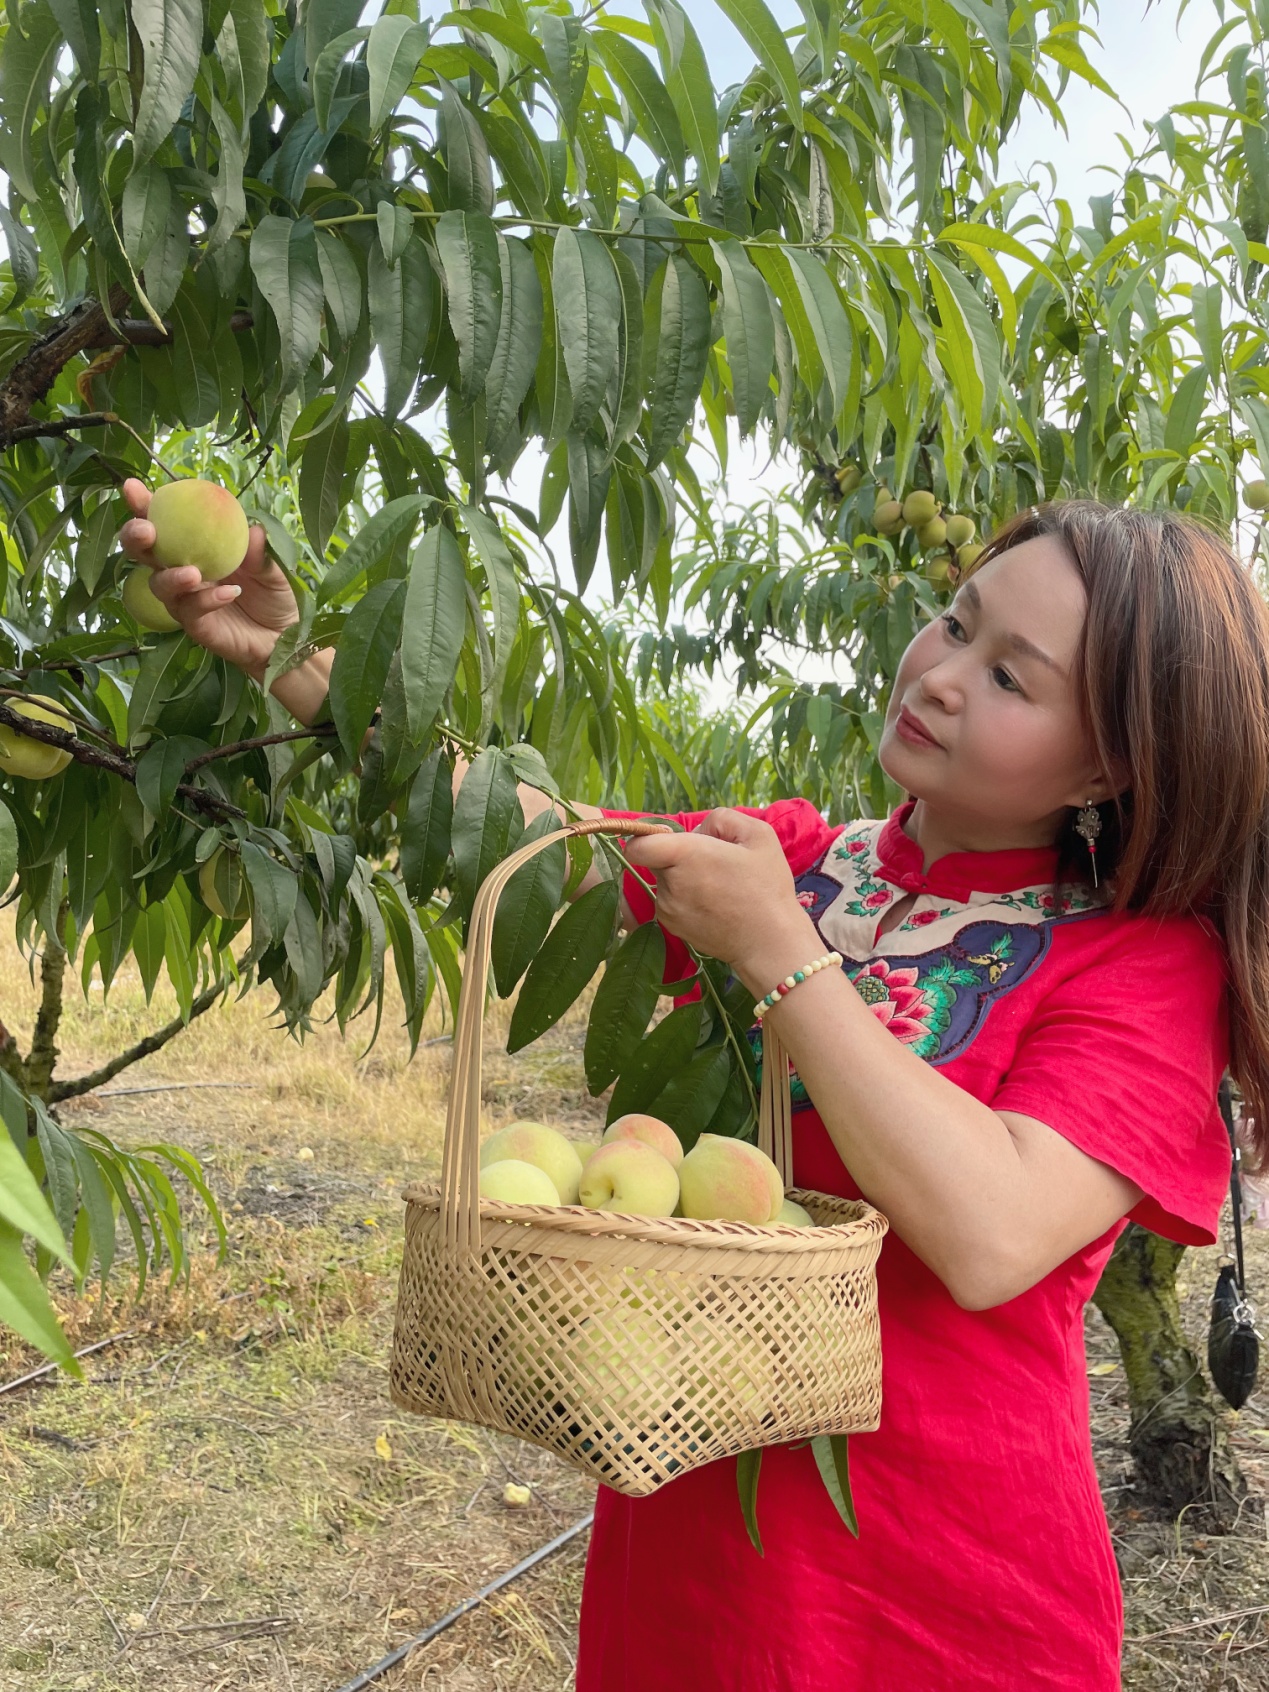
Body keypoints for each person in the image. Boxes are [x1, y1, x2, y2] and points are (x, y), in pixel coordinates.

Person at [120, 484, 1269, 1690]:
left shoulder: (1142, 967)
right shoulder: (805, 864)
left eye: (1011, 680)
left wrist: (783, 955)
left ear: (1110, 765)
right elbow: (537, 836)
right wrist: (300, 658)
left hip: (936, 1594)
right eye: (958, 621)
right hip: (690, 1543)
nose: (939, 671)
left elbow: (992, 1232)